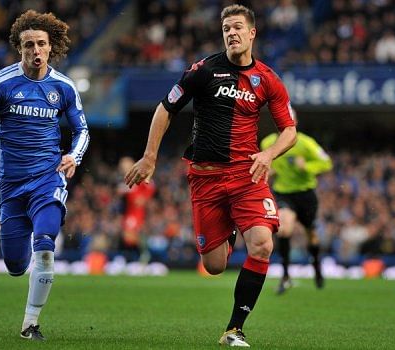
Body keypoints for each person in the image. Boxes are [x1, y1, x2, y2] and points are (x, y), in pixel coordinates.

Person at [125, 4, 296, 347]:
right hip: (205, 178)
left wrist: (269, 153)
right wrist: (149, 156)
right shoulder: (203, 71)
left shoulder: (268, 80)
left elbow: (289, 130)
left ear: (252, 33)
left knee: (262, 245)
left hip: (247, 174)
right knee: (215, 264)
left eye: (237, 28)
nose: (231, 33)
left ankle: (235, 328)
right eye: (226, 29)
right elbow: (166, 108)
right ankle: (230, 229)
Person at [0, 10, 90, 341]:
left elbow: (82, 130)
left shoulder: (64, 87)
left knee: (45, 245)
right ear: (20, 47)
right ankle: (27, 258)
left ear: (51, 47)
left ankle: (30, 324)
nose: (35, 51)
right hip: (11, 186)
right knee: (16, 265)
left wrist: (74, 155)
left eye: (41, 44)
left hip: (48, 179)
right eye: (28, 44)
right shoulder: (0, 83)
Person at [260, 127, 332, 294]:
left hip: (306, 195)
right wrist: (270, 169)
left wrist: (306, 166)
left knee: (311, 235)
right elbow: (267, 161)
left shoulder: (306, 143)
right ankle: (285, 276)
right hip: (284, 194)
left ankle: (317, 266)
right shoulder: (268, 142)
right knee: (284, 230)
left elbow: (326, 162)